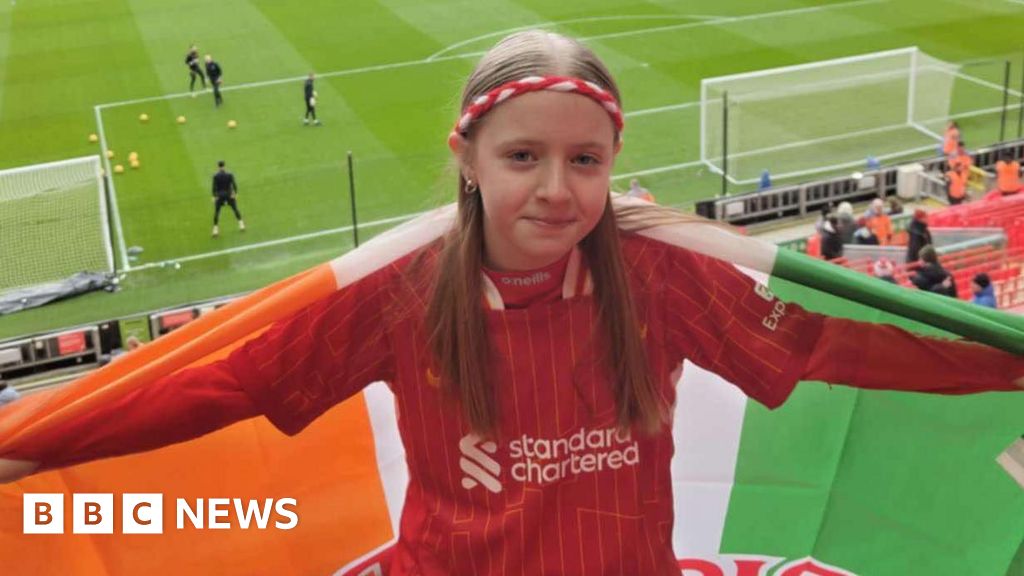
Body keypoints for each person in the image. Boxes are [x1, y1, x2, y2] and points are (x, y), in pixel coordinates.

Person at [1, 31, 1022, 575]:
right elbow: (221, 377)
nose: (555, 188)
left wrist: (1004, 360)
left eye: (583, 160)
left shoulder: (658, 274)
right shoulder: (401, 291)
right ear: (467, 158)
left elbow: (827, 348)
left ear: (616, 160)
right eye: (522, 156)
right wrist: (36, 442)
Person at [211, 160, 244, 237]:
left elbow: (214, 187)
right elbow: (234, 184)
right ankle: (241, 224)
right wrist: (235, 193)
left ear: (218, 166)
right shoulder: (229, 174)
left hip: (220, 196)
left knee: (217, 212)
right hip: (229, 195)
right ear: (224, 166)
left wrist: (213, 196)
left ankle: (215, 229)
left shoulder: (215, 176)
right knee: (235, 209)